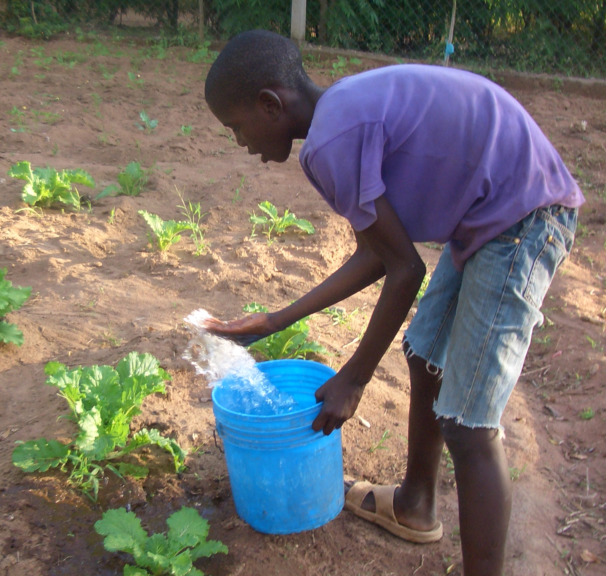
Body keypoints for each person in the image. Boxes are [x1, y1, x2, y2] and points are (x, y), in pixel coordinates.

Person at [201, 30, 584, 576]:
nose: (240, 141)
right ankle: (416, 506)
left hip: (522, 218)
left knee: (470, 428)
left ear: (271, 104)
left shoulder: (332, 142)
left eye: (237, 126)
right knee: (426, 351)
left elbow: (406, 271)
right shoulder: (338, 116)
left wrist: (354, 378)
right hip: (490, 209)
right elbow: (380, 255)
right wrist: (278, 318)